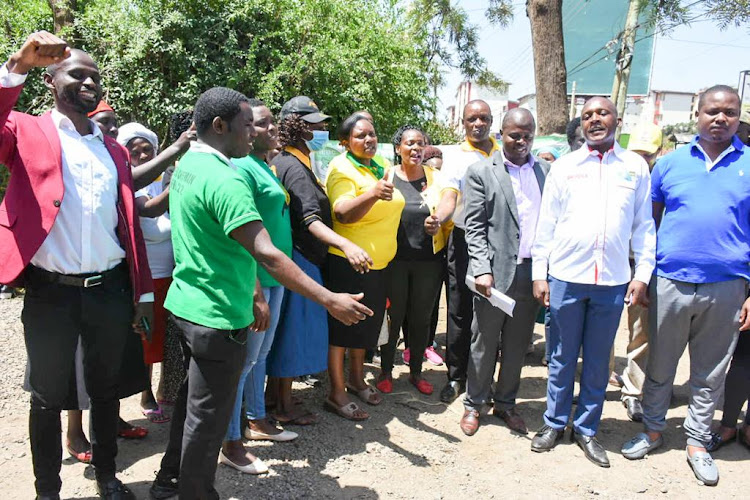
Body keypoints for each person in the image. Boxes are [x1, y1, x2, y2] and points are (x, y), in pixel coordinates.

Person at [150, 87, 372, 500]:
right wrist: (328, 298)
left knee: (192, 406)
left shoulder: (189, 165)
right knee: (208, 418)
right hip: (218, 316)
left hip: (188, 304)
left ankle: (167, 483)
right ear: (219, 126)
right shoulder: (226, 178)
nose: (252, 133)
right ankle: (194, 493)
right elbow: (266, 253)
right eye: (246, 125)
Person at [1, 32, 154, 499]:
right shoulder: (27, 131)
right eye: (77, 74)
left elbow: (127, 225)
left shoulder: (113, 151)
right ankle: (47, 489)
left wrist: (142, 292)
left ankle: (108, 476)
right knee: (47, 397)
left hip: (108, 289)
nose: (89, 81)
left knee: (106, 391)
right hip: (52, 291)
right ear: (51, 81)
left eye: (95, 76)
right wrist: (15, 67)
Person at [621, 85, 750, 486]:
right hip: (671, 282)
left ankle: (697, 441)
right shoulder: (669, 165)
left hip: (728, 287)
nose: (720, 119)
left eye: (729, 112)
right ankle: (654, 431)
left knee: (710, 372)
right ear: (698, 113)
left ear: (738, 116)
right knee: (661, 363)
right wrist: (643, 277)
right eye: (713, 111)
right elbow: (649, 227)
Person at [530, 97, 655, 468]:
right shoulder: (566, 167)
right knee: (561, 356)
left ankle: (586, 429)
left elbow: (643, 227)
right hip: (566, 277)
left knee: (599, 361)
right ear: (581, 124)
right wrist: (540, 273)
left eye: (602, 113)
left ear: (617, 119)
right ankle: (553, 422)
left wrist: (643, 275)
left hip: (613, 282)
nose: (595, 120)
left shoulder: (635, 167)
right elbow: (546, 224)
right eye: (587, 116)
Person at [267, 96, 370, 425]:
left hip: (298, 257)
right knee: (292, 337)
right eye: (316, 124)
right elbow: (310, 219)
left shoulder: (293, 162)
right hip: (301, 259)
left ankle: (275, 398)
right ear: (298, 126)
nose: (323, 129)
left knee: (286, 334)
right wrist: (345, 244)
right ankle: (283, 404)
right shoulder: (294, 168)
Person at [460, 109, 549, 436]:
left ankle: (506, 404)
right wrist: (482, 269)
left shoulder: (546, 171)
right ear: (502, 133)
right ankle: (474, 403)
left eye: (527, 135)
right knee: (483, 343)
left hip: (532, 274)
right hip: (494, 277)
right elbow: (475, 226)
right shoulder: (481, 171)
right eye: (515, 135)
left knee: (517, 345)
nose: (522, 141)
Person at [221, 99, 297, 476]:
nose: (272, 129)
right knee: (244, 361)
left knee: (259, 359)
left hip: (277, 278)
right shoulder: (243, 169)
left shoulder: (266, 167)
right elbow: (241, 236)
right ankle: (230, 440)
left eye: (272, 124)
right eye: (263, 124)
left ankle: (257, 420)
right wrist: (255, 292)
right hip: (259, 281)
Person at [325, 112, 405, 419]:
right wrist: (371, 194)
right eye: (360, 136)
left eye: (372, 134)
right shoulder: (341, 168)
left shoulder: (380, 166)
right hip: (349, 263)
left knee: (366, 327)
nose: (369, 140)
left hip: (379, 265)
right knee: (342, 330)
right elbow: (342, 213)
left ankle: (357, 380)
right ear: (345, 142)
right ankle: (335, 392)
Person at [376, 125, 455, 396]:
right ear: (398, 148)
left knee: (421, 319)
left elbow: (449, 199)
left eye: (420, 144)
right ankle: (386, 371)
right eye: (410, 143)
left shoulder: (436, 177)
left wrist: (439, 219)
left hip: (428, 262)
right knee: (392, 318)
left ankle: (416, 373)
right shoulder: (387, 175)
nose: (416, 148)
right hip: (393, 260)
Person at [438, 99, 501, 403]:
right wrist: (438, 218)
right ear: (462, 123)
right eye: (471, 119)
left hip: (500, 243)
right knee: (460, 310)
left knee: (492, 312)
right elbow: (449, 196)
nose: (478, 124)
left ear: (492, 121)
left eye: (483, 118)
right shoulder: (455, 157)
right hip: (463, 240)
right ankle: (455, 376)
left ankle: (484, 379)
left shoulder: (505, 152)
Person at [117, 122, 176, 425]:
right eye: (134, 150)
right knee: (147, 338)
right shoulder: (131, 187)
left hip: (174, 273)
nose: (141, 155)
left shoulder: (161, 180)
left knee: (167, 337)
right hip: (148, 276)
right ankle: (145, 394)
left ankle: (165, 388)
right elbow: (152, 210)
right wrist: (179, 182)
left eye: (147, 149)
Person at [609, 122, 663, 423]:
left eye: (649, 156)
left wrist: (646, 271)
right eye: (638, 154)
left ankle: (633, 392)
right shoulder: (621, 172)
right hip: (612, 264)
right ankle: (601, 379)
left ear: (659, 153)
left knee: (640, 333)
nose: (642, 161)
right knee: (603, 329)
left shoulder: (662, 181)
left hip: (643, 266)